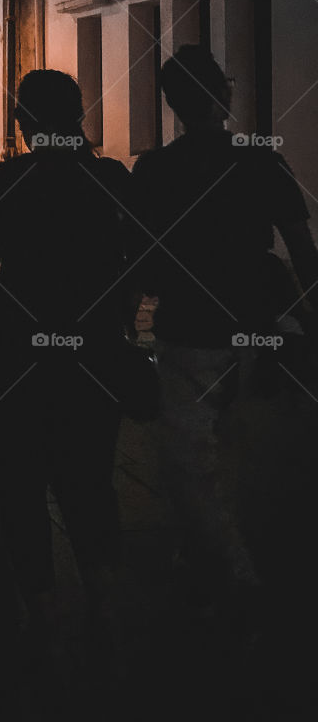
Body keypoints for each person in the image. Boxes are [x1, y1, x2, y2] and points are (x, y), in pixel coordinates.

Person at [0, 70, 140, 639]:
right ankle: (107, 605)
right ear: (79, 115)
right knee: (90, 479)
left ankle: (43, 611)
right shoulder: (112, 178)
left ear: (24, 123)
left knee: (18, 483)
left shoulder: (5, 180)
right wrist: (121, 326)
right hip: (94, 350)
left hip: (15, 351)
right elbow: (136, 266)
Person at [131, 45, 318, 615]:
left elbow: (137, 262)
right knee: (245, 450)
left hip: (187, 327)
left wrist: (120, 332)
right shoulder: (260, 159)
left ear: (172, 103)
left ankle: (231, 569)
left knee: (190, 459)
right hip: (257, 326)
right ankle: (235, 555)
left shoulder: (155, 169)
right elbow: (302, 251)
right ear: (225, 95)